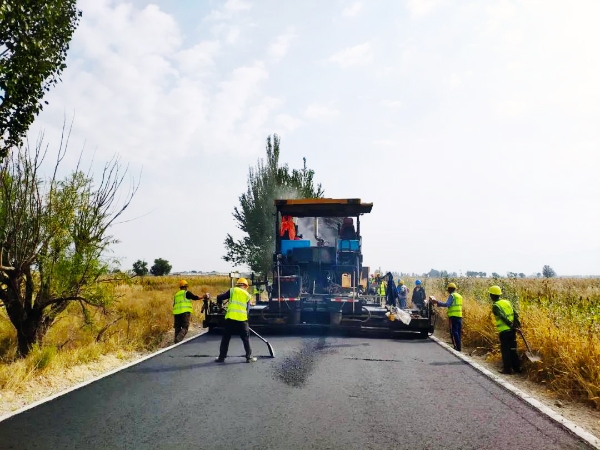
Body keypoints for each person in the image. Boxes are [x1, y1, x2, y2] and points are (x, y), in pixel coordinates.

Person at [215, 277, 257, 363]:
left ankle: (221, 358)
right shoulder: (247, 295)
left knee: (226, 339)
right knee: (246, 339)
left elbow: (219, 297)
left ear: (238, 284)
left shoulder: (232, 290)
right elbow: (247, 310)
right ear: (245, 286)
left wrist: (220, 306)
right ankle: (249, 357)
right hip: (242, 320)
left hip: (230, 319)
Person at [489, 285, 521, 375]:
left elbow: (502, 316)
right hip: (512, 330)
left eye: (490, 294)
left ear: (492, 295)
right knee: (513, 349)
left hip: (504, 331)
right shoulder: (507, 302)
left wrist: (510, 324)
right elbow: (515, 313)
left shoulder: (495, 306)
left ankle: (507, 369)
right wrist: (517, 324)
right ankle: (517, 368)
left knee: (505, 350)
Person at [431, 282, 463, 351]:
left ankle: (457, 347)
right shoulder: (459, 296)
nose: (448, 291)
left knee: (454, 331)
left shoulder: (452, 296)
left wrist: (437, 302)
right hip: (459, 315)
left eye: (448, 289)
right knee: (458, 331)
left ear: (450, 289)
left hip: (453, 316)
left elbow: (447, 304)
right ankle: (459, 346)